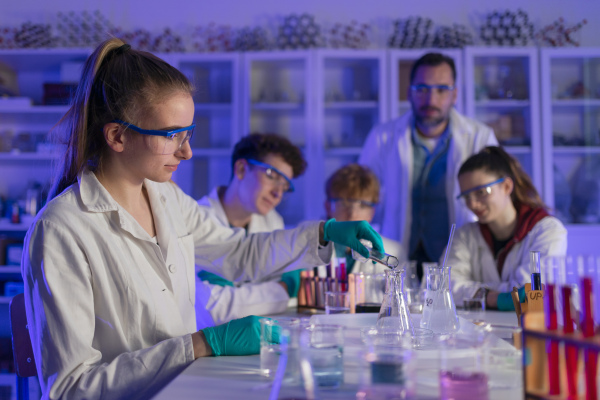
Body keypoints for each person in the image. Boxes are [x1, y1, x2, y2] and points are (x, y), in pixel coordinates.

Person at [20, 38, 384, 399]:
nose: (187, 151)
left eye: (188, 132)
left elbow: (237, 254)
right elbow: (70, 389)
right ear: (117, 135)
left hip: (186, 387)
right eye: (171, 135)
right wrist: (199, 344)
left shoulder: (166, 197)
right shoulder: (61, 230)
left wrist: (325, 232)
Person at [359, 52, 497, 280]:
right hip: (396, 255)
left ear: (455, 95)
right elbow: (361, 196)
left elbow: (495, 200)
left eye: (441, 90)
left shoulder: (479, 138)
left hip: (460, 261)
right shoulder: (383, 137)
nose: (431, 99)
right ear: (408, 93)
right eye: (422, 89)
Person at [195, 133, 306, 327]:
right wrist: (284, 289)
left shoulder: (272, 222)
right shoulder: (195, 220)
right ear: (240, 169)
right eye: (272, 176)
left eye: (285, 185)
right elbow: (216, 309)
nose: (278, 193)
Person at [446, 146, 567, 310]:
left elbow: (532, 291)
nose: (472, 204)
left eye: (481, 192)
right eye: (466, 196)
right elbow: (445, 285)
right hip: (486, 331)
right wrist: (493, 297)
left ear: (506, 186)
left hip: (534, 329)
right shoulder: (465, 235)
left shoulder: (547, 230)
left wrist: (477, 292)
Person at [324, 163, 404, 273]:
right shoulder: (309, 246)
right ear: (328, 207)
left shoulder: (394, 252)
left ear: (372, 212)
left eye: (362, 205)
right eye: (344, 203)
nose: (352, 214)